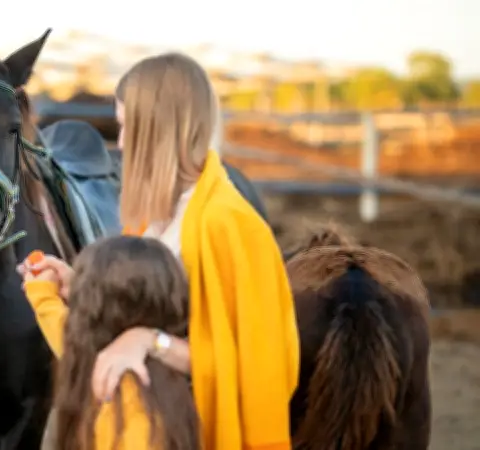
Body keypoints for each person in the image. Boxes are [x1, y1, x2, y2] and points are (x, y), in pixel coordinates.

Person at [19, 52, 300, 450]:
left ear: (156, 129)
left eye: (125, 127)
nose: (120, 144)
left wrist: (150, 341)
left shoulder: (230, 224)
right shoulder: (150, 219)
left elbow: (256, 368)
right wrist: (79, 287)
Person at [23, 236, 198, 449]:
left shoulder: (126, 404)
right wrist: (44, 294)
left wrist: (51, 294)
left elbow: (70, 337)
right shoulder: (153, 373)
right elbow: (68, 335)